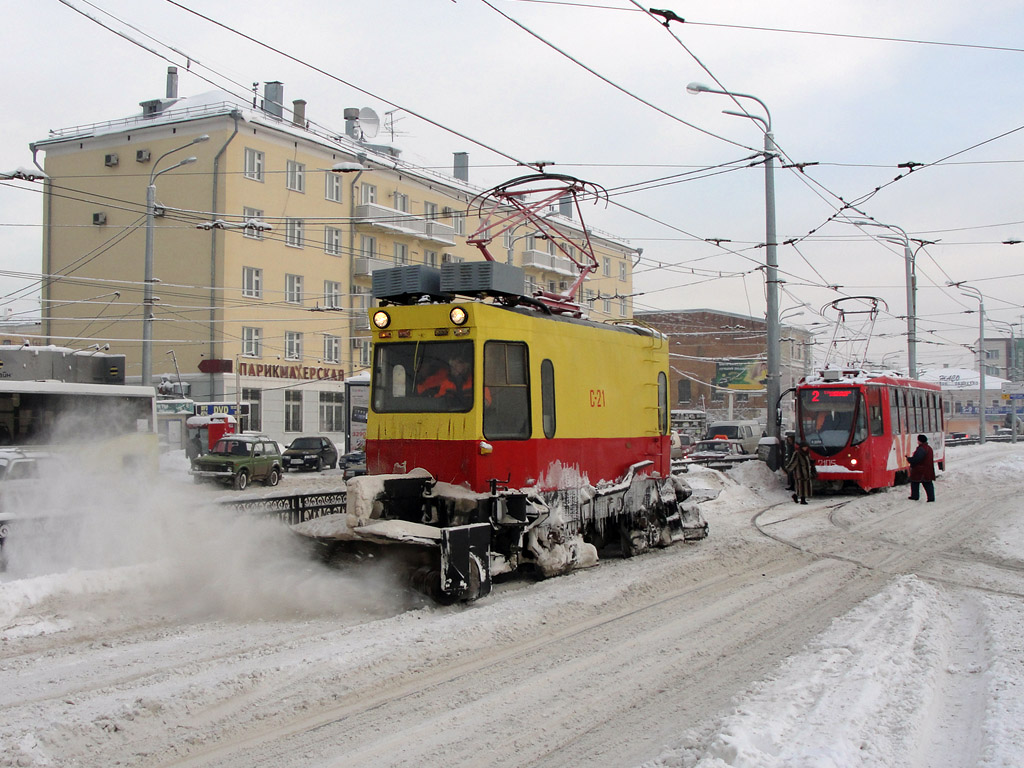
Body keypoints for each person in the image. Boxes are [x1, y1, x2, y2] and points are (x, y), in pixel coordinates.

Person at [906, 433, 936, 502]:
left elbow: (917, 459)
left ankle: (915, 496)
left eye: (918, 440)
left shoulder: (921, 449)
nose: (917, 441)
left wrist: (909, 459)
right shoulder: (929, 448)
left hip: (920, 470)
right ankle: (931, 498)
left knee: (915, 482)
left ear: (920, 441)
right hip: (927, 469)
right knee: (928, 484)